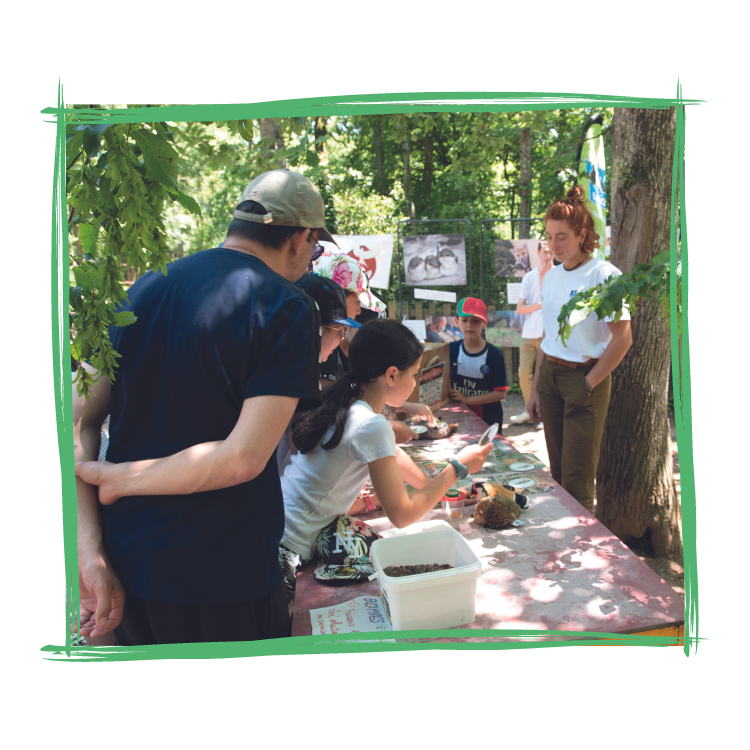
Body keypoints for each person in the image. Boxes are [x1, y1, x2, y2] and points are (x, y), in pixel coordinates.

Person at [74, 168, 333, 645]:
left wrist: (88, 551)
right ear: (301, 240)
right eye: (316, 248)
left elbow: (74, 423)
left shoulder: (141, 289)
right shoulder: (287, 307)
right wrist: (120, 480)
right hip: (218, 575)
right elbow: (242, 458)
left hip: (125, 562)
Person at [278, 318, 493, 610]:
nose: (416, 383)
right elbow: (402, 515)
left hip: (275, 526)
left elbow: (396, 459)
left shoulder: (350, 403)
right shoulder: (371, 424)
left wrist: (442, 492)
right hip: (284, 550)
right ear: (391, 375)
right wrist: (457, 468)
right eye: (415, 375)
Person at [527, 186, 633, 515]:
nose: (554, 245)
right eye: (549, 237)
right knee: (557, 475)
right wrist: (535, 389)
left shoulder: (604, 275)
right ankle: (562, 544)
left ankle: (584, 556)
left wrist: (590, 383)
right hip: (551, 378)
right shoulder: (551, 277)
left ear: (582, 234)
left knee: (577, 480)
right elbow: (548, 336)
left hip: (585, 378)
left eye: (562, 237)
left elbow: (623, 339)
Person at [276, 274, 361, 476]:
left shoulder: (287, 361)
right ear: (318, 328)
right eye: (340, 331)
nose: (341, 339)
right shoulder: (299, 373)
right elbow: (297, 430)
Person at [448, 297, 509, 430]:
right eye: (464, 320)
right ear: (457, 322)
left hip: (488, 420)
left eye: (475, 321)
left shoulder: (494, 355)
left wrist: (468, 400)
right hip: (458, 418)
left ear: (485, 323)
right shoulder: (450, 350)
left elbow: (500, 393)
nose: (469, 325)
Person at [510, 241, 553, 429]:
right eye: (545, 252)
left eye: (550, 252)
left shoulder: (559, 274)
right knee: (523, 373)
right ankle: (531, 411)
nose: (548, 256)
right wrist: (539, 305)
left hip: (549, 335)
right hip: (528, 334)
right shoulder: (529, 277)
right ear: (538, 253)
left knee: (546, 376)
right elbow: (520, 308)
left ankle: (545, 414)